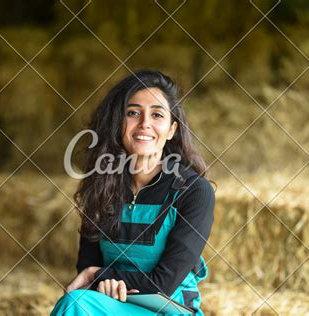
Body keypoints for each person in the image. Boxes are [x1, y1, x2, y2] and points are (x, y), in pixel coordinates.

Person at [51, 70, 215, 315]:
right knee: (77, 302)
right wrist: (99, 277)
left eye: (157, 114)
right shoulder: (101, 187)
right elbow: (86, 270)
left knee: (76, 304)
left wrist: (99, 275)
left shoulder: (193, 192)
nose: (144, 123)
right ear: (118, 124)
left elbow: (162, 285)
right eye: (133, 113)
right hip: (110, 307)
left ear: (171, 130)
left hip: (171, 310)